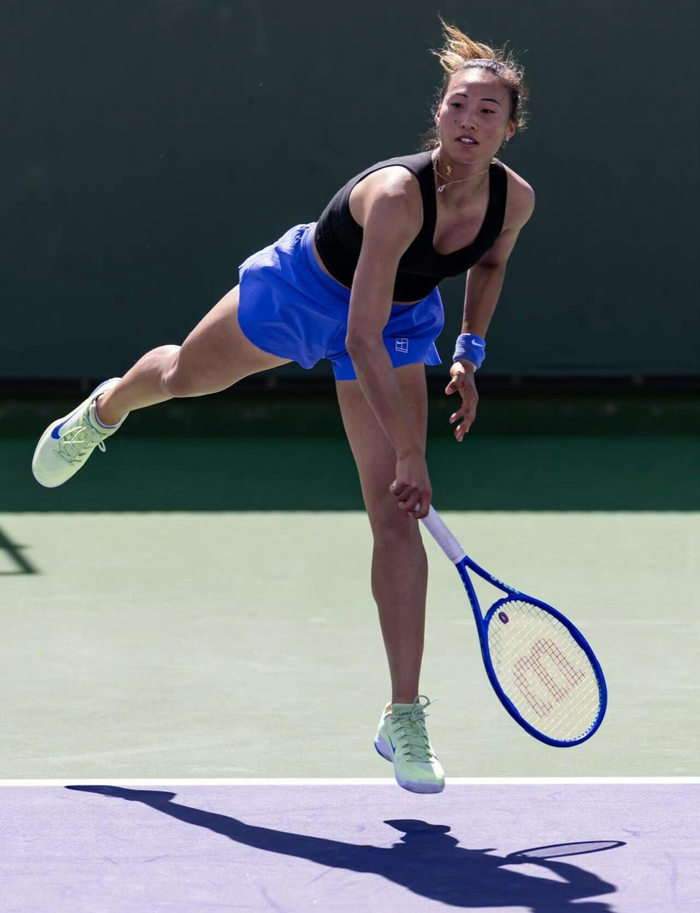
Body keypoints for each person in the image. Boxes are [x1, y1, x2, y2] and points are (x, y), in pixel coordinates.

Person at [32, 19, 535, 794]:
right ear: (437, 113)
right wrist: (410, 449)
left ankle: (403, 713)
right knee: (183, 376)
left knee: (394, 516)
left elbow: (489, 265)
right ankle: (107, 409)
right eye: (457, 105)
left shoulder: (513, 201)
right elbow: (357, 337)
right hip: (306, 294)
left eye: (486, 110)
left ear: (509, 128)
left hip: (400, 319)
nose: (468, 119)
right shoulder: (397, 197)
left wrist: (469, 352)